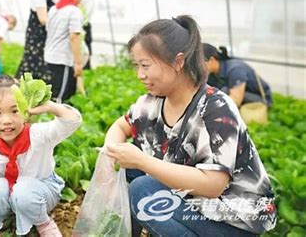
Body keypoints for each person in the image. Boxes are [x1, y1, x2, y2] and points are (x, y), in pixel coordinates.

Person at [103, 16, 276, 236]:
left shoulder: (216, 108)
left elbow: (213, 185)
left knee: (143, 189)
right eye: (136, 66)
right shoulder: (153, 101)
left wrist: (142, 160)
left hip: (233, 218)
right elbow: (121, 126)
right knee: (134, 171)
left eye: (145, 66)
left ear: (178, 61)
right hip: (195, 202)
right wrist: (111, 156)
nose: (140, 75)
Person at [0, 76, 82, 237]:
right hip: (11, 194)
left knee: (23, 190)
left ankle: (43, 223)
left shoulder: (39, 135)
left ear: (26, 112)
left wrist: (52, 107)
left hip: (41, 192)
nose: (7, 120)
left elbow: (72, 121)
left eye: (15, 111)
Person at [16, 0, 66, 80]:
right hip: (36, 35)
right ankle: (18, 89)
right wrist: (60, 25)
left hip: (51, 34)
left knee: (48, 62)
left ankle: (42, 92)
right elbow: (43, 19)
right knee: (32, 62)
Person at [44, 0, 88, 102]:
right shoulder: (74, 11)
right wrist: (78, 63)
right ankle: (55, 120)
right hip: (62, 60)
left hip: (50, 56)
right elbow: (74, 37)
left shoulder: (53, 9)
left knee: (57, 94)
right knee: (59, 98)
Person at [203, 43, 272, 107]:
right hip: (239, 95)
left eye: (200, 63)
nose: (197, 67)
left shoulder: (236, 70)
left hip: (261, 99)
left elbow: (236, 100)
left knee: (223, 91)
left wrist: (212, 107)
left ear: (211, 60)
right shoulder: (212, 73)